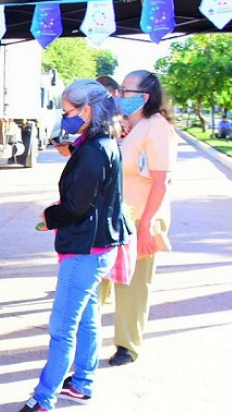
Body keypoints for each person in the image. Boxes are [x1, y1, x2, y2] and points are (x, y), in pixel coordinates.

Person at [7, 80, 130, 412]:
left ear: (87, 111)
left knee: (63, 327)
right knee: (87, 318)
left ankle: (43, 398)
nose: (65, 118)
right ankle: (82, 383)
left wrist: (50, 216)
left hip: (85, 249)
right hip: (97, 247)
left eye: (68, 111)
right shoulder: (100, 144)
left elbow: (76, 206)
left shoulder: (94, 150)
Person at [101, 70, 178, 367]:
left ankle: (127, 346)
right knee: (101, 279)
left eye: (126, 91)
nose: (120, 95)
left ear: (144, 97)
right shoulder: (130, 126)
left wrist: (146, 225)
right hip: (115, 218)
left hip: (141, 219)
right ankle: (85, 339)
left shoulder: (157, 128)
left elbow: (161, 181)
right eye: (120, 90)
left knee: (133, 287)